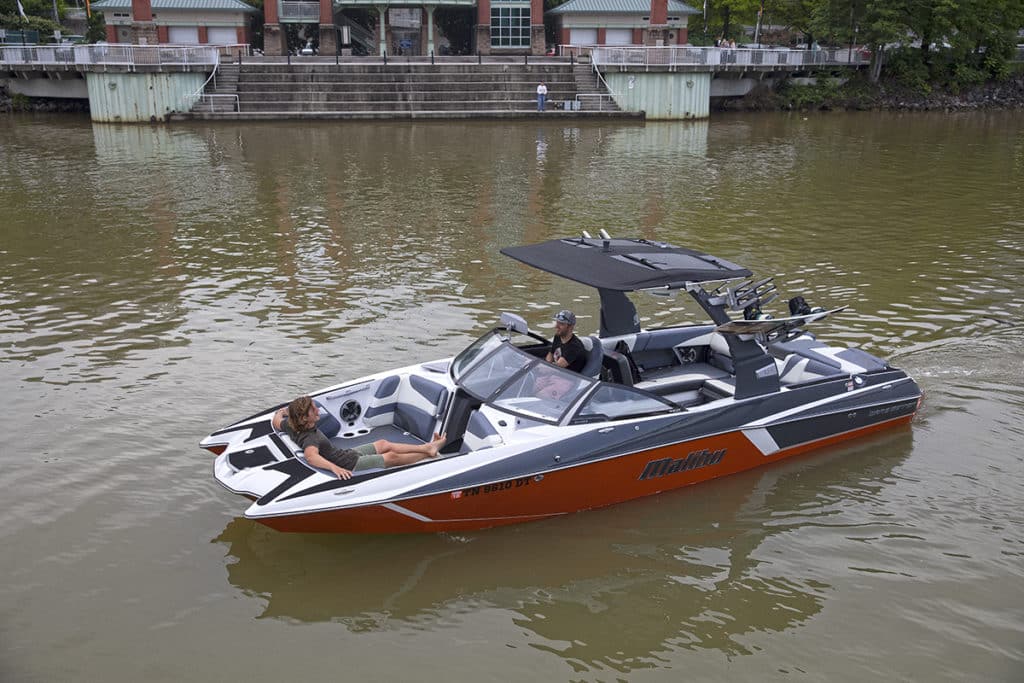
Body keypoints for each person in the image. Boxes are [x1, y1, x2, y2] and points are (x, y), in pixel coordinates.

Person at [272, 396, 446, 480]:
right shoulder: (309, 438)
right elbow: (311, 456)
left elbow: (276, 421)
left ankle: (428, 447)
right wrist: (335, 469)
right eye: (313, 409)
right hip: (349, 463)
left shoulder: (292, 425)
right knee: (391, 457)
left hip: (345, 453)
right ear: (304, 418)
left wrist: (284, 412)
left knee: (383, 443)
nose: (318, 410)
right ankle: (428, 453)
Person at [545, 309, 586, 373]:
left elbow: (557, 366)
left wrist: (541, 367)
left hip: (568, 378)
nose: (556, 326)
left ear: (570, 327)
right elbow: (551, 353)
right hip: (556, 373)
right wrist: (546, 364)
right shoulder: (558, 336)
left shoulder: (575, 347)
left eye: (561, 324)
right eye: (557, 322)